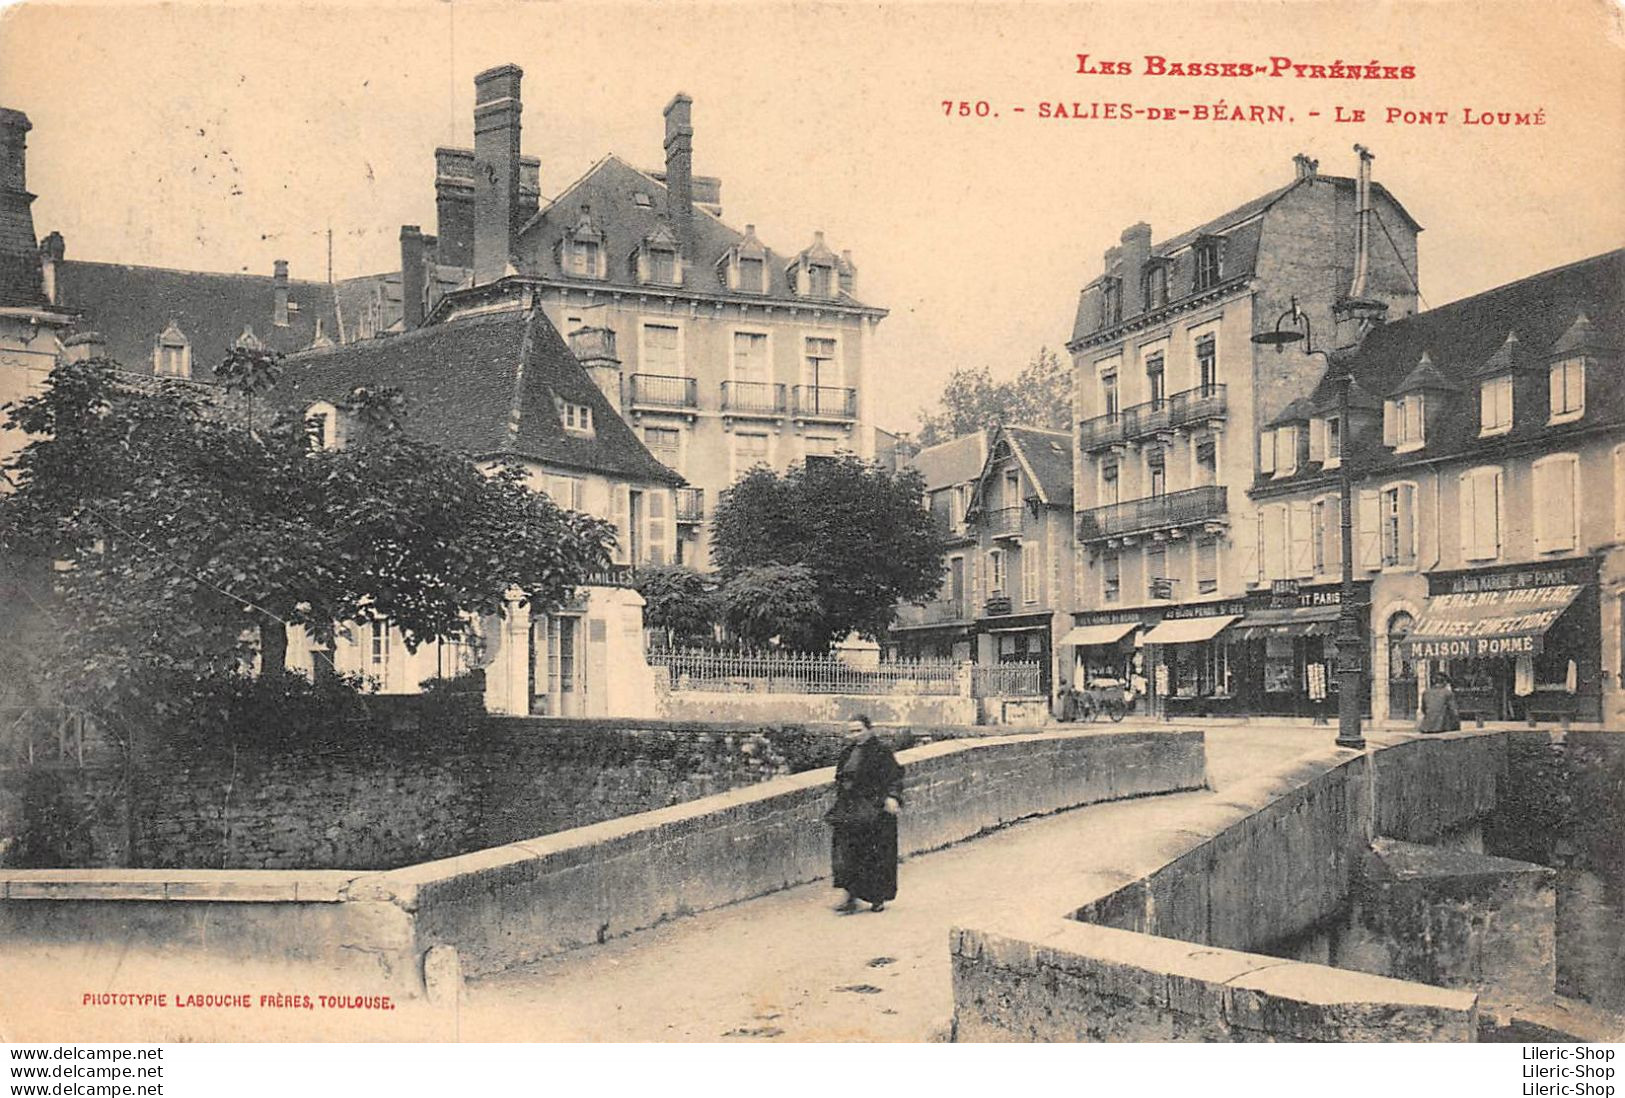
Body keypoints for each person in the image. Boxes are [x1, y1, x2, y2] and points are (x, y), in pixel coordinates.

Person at [824, 714, 903, 913]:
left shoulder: (881, 752)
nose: (855, 735)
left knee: (873, 854)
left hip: (873, 810)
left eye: (859, 730)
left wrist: (891, 797)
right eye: (851, 731)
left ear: (869, 729)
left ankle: (877, 898)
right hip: (849, 810)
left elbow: (894, 777)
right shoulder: (847, 752)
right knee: (846, 853)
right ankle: (850, 896)